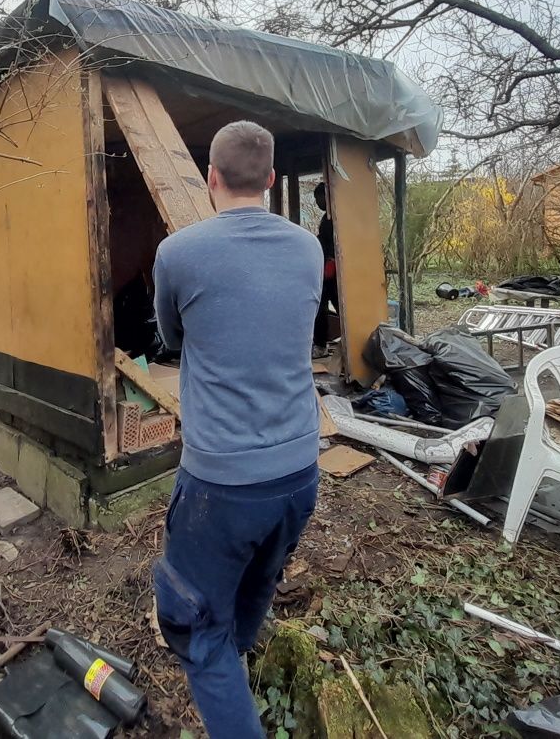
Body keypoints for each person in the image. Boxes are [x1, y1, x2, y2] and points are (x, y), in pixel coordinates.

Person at [151, 120, 322, 739]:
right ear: (273, 181)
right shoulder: (307, 248)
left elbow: (170, 338)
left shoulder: (178, 252)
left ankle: (227, 681)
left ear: (210, 177)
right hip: (301, 473)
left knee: (195, 632)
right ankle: (241, 651)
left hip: (221, 485)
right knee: (259, 582)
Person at [312, 181, 339, 351]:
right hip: (326, 270)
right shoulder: (327, 217)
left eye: (319, 198)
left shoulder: (335, 217)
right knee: (320, 308)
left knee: (337, 307)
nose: (317, 203)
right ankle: (320, 343)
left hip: (334, 271)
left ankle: (321, 344)